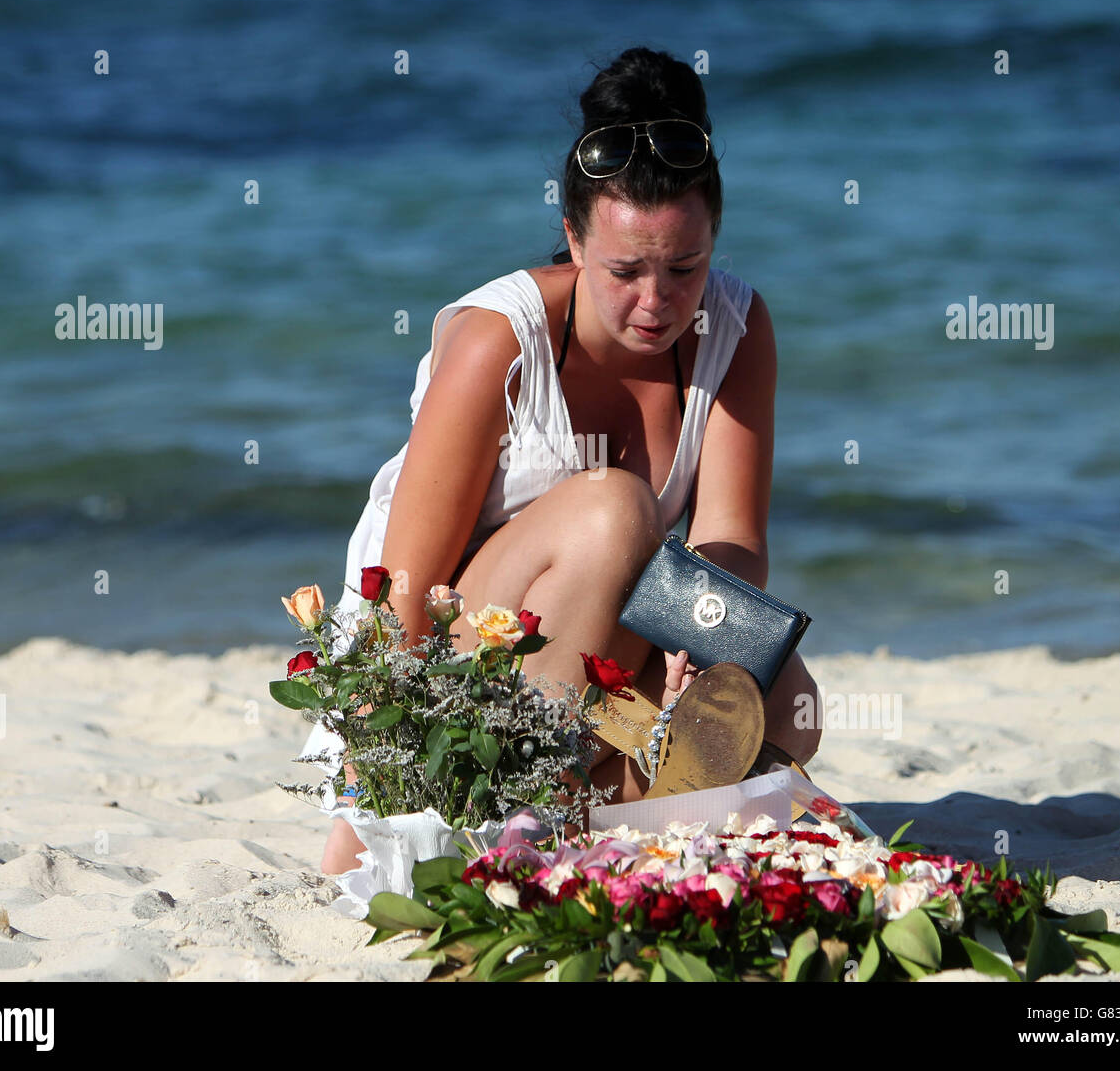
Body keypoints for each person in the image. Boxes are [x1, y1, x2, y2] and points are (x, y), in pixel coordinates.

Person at [312, 47, 821, 874]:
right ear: (573, 238)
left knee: (786, 705)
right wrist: (374, 788)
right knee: (615, 510)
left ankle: (574, 820)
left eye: (683, 268)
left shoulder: (735, 325)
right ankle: (492, 807)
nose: (657, 302)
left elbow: (730, 539)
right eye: (626, 271)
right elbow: (401, 593)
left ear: (714, 240)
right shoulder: (498, 340)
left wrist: (706, 648)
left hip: (594, 661)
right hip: (445, 658)